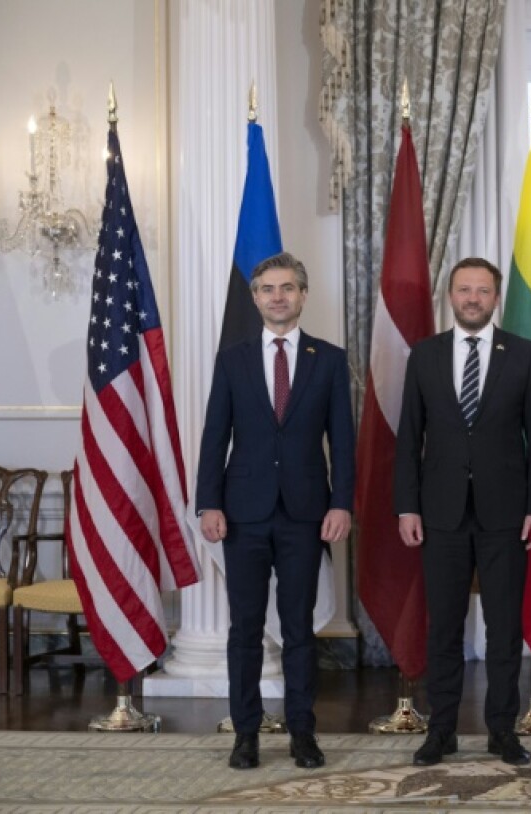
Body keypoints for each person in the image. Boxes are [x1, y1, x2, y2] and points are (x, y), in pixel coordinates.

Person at [195, 251, 354, 770]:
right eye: (267, 288)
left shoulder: (327, 359)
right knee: (244, 629)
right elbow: (215, 435)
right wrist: (209, 503)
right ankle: (246, 734)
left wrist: (342, 503)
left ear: (303, 295)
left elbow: (344, 443)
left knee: (298, 629)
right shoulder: (233, 359)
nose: (278, 296)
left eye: (287, 287)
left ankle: (302, 732)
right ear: (255, 297)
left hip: (306, 514)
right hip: (242, 513)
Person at [393, 257, 531, 768]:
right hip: (439, 513)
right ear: (451, 296)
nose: (473, 299)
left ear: (495, 298)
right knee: (444, 627)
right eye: (465, 290)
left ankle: (503, 732)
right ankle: (441, 731)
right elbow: (407, 440)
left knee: (504, 627)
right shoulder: (424, 355)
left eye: (483, 291)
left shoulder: (523, 355)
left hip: (507, 513)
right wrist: (407, 507)